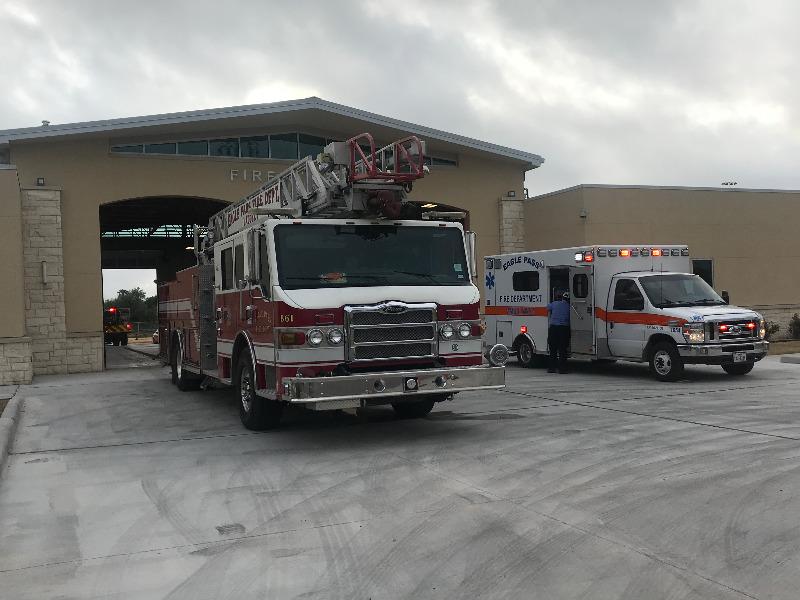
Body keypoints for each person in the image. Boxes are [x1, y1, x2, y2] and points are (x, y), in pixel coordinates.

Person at [547, 291, 571, 373]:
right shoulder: (569, 306)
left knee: (553, 349)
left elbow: (547, 308)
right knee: (562, 350)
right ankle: (562, 369)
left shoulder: (554, 304)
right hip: (563, 329)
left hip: (553, 329)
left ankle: (551, 368)